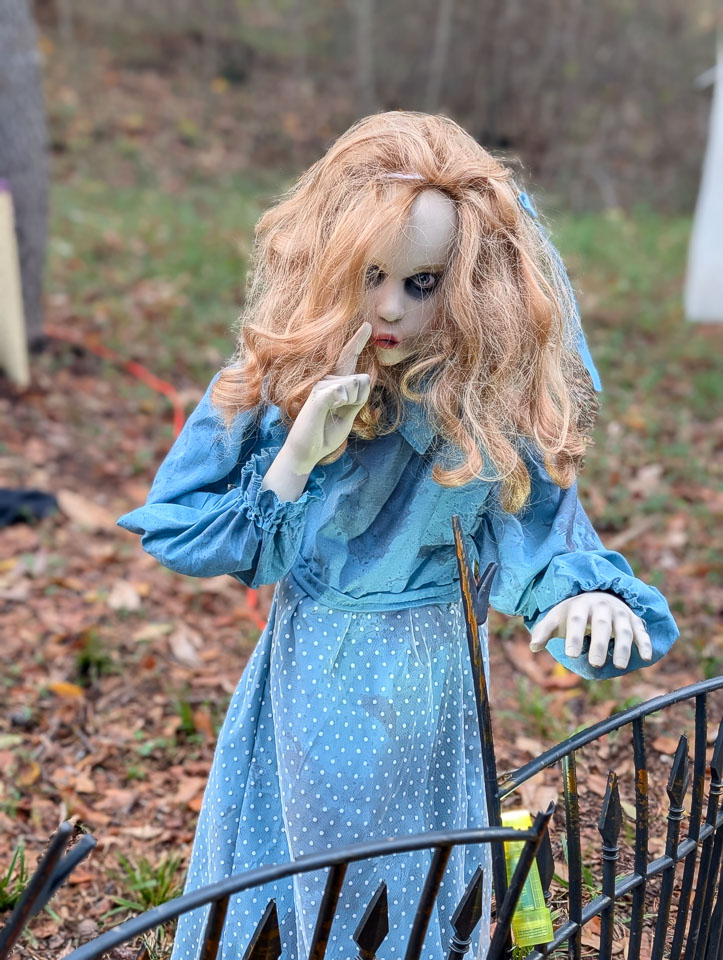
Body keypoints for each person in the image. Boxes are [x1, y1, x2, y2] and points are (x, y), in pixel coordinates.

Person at [117, 112, 678, 960]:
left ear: (473, 285)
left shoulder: (481, 401)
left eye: (422, 283)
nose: (389, 306)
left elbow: (539, 533)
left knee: (419, 868)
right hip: (317, 667)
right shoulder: (277, 379)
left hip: (436, 670)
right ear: (329, 261)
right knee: (310, 861)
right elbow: (185, 524)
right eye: (371, 274)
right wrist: (297, 456)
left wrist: (582, 597)